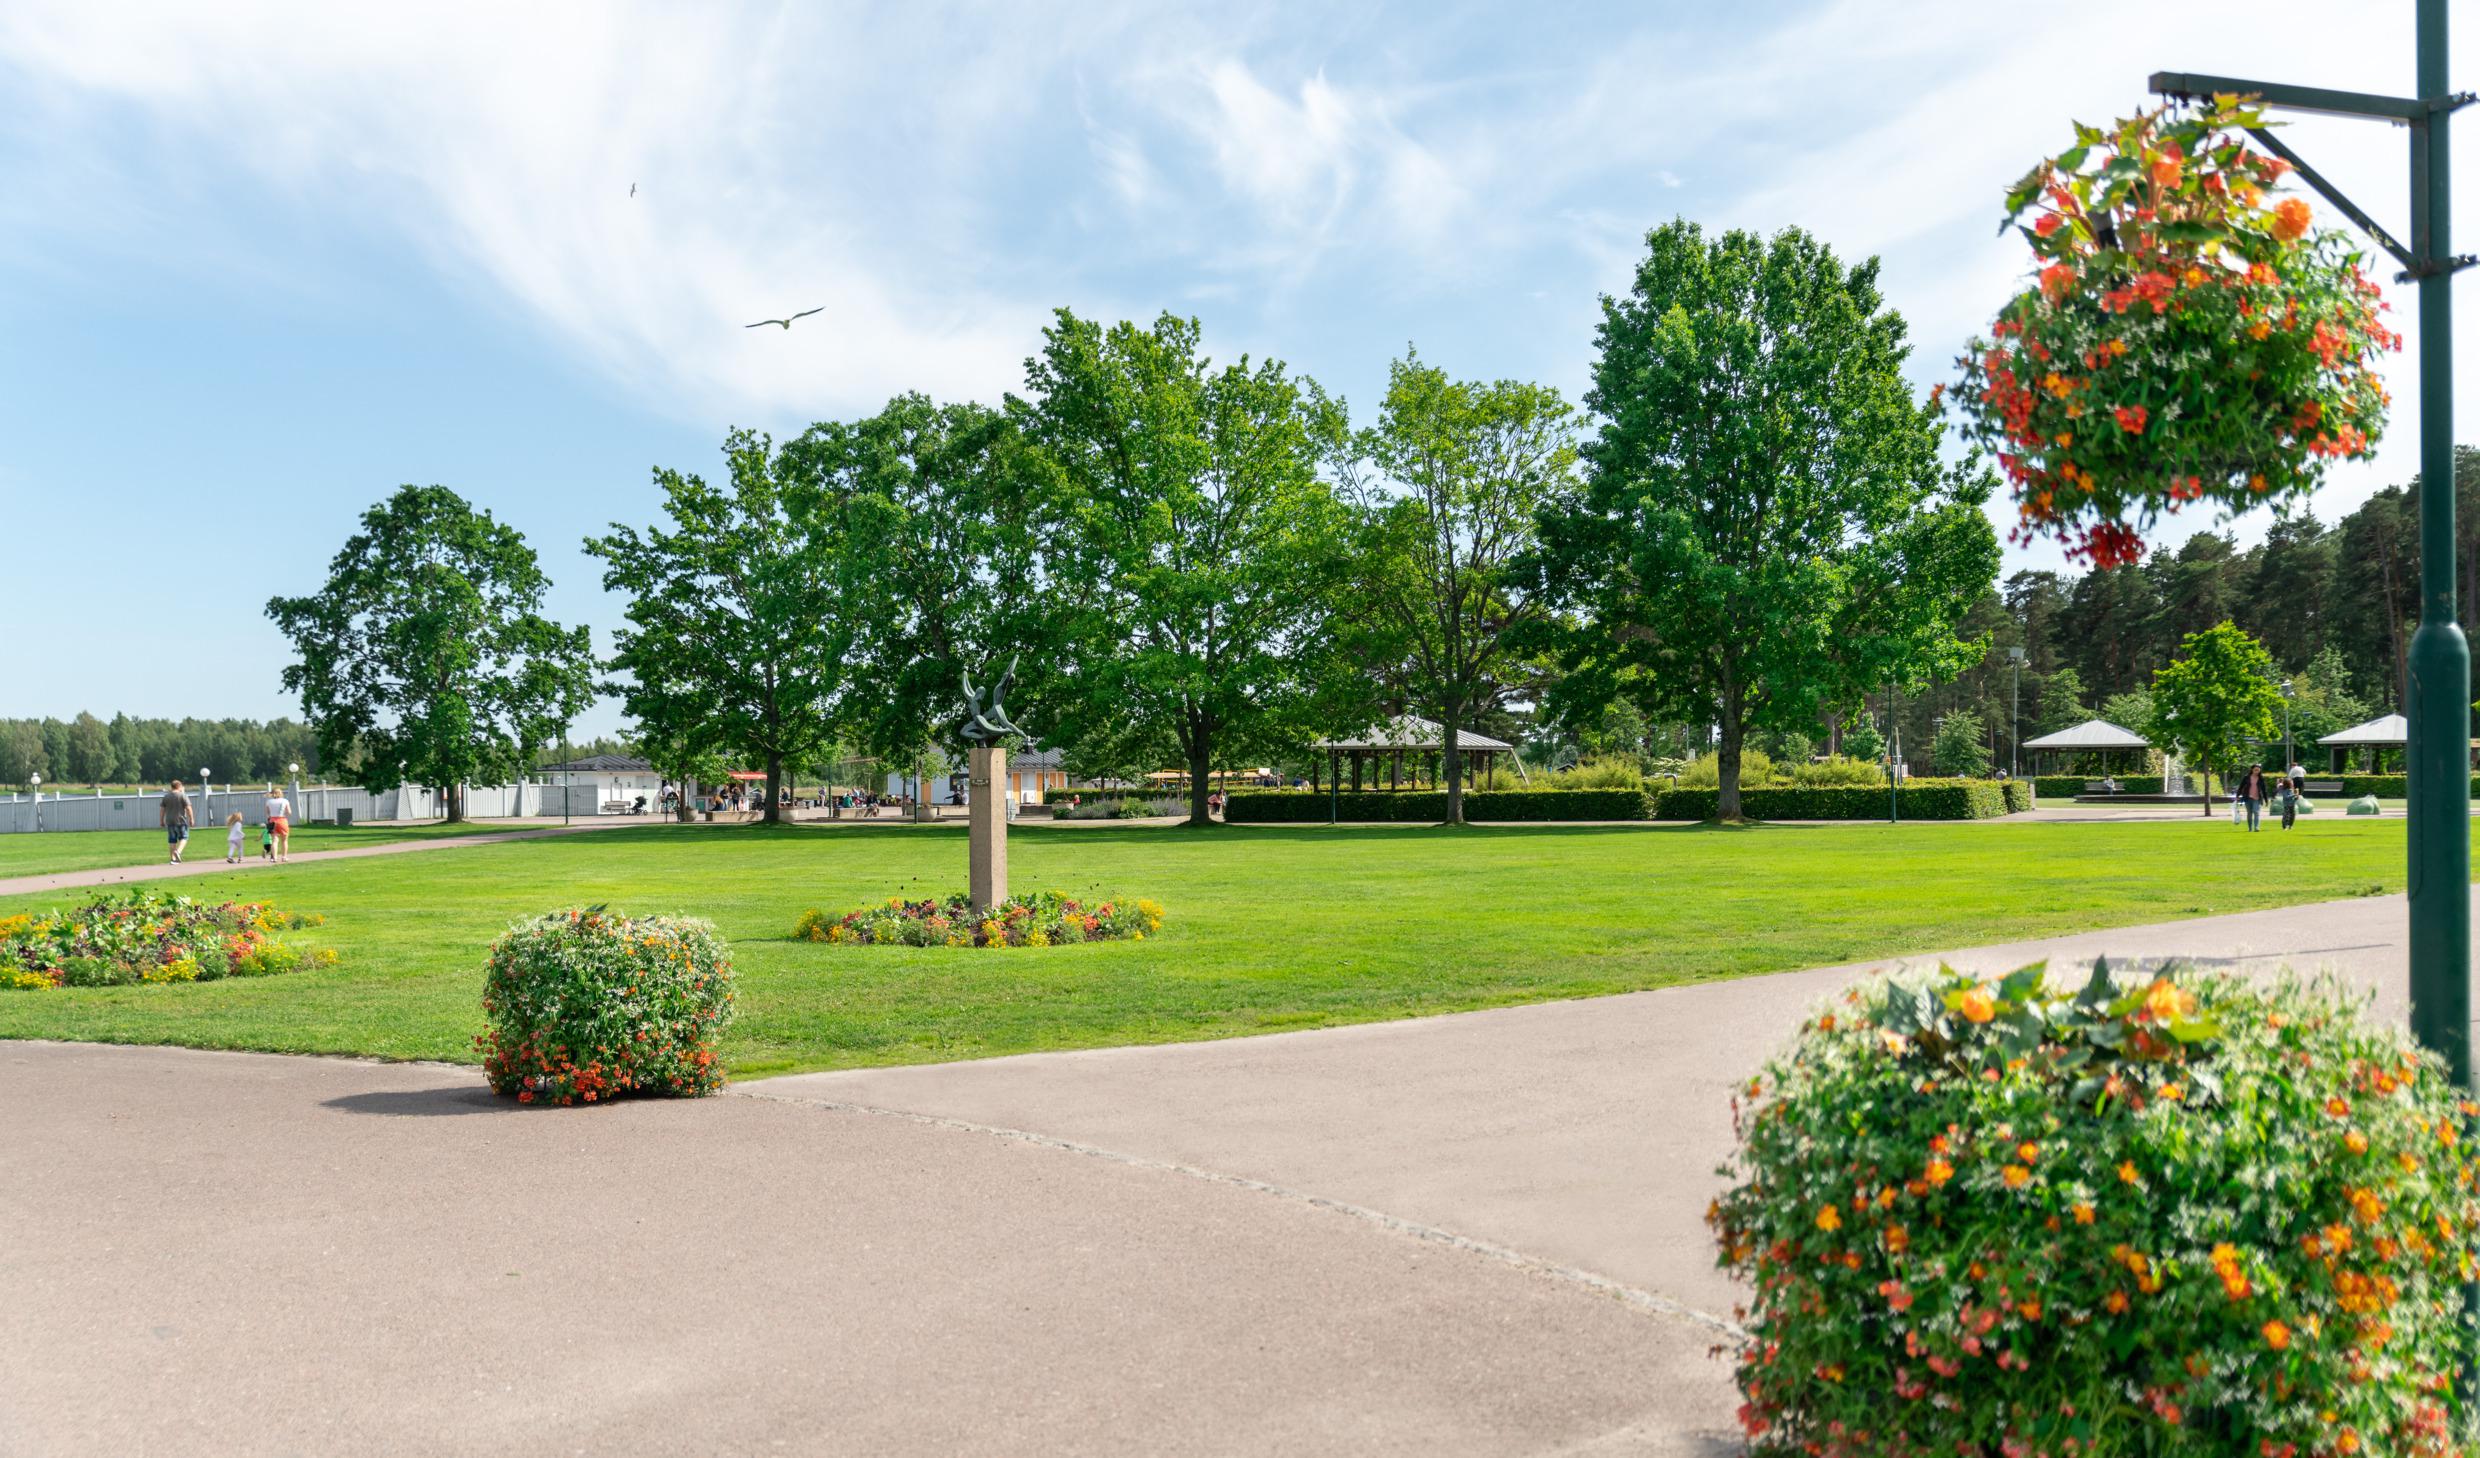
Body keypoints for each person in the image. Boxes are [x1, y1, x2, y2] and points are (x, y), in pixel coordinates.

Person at [160, 778, 194, 863]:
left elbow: (162, 810)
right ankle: (178, 852)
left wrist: (161, 820)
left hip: (170, 821)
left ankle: (173, 859)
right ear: (179, 786)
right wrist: (191, 819)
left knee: (172, 840)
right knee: (184, 837)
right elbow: (188, 808)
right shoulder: (182, 795)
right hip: (181, 821)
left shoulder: (166, 796)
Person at [263, 785, 293, 862]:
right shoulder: (285, 801)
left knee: (274, 840)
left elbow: (267, 813)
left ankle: (274, 858)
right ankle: (284, 857)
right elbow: (289, 812)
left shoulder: (268, 802)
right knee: (284, 840)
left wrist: (270, 818)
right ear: (280, 793)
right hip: (282, 820)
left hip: (272, 820)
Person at [2239, 763, 2267, 832]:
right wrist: (2237, 796)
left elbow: (2264, 789)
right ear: (2252, 770)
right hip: (2247, 797)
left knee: (2256, 812)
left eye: (2258, 770)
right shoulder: (2246, 777)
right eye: (2255, 770)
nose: (2257, 771)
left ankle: (2256, 827)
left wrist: (2266, 800)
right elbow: (2241, 787)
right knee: (2249, 813)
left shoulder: (2261, 778)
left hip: (2257, 798)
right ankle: (2250, 828)